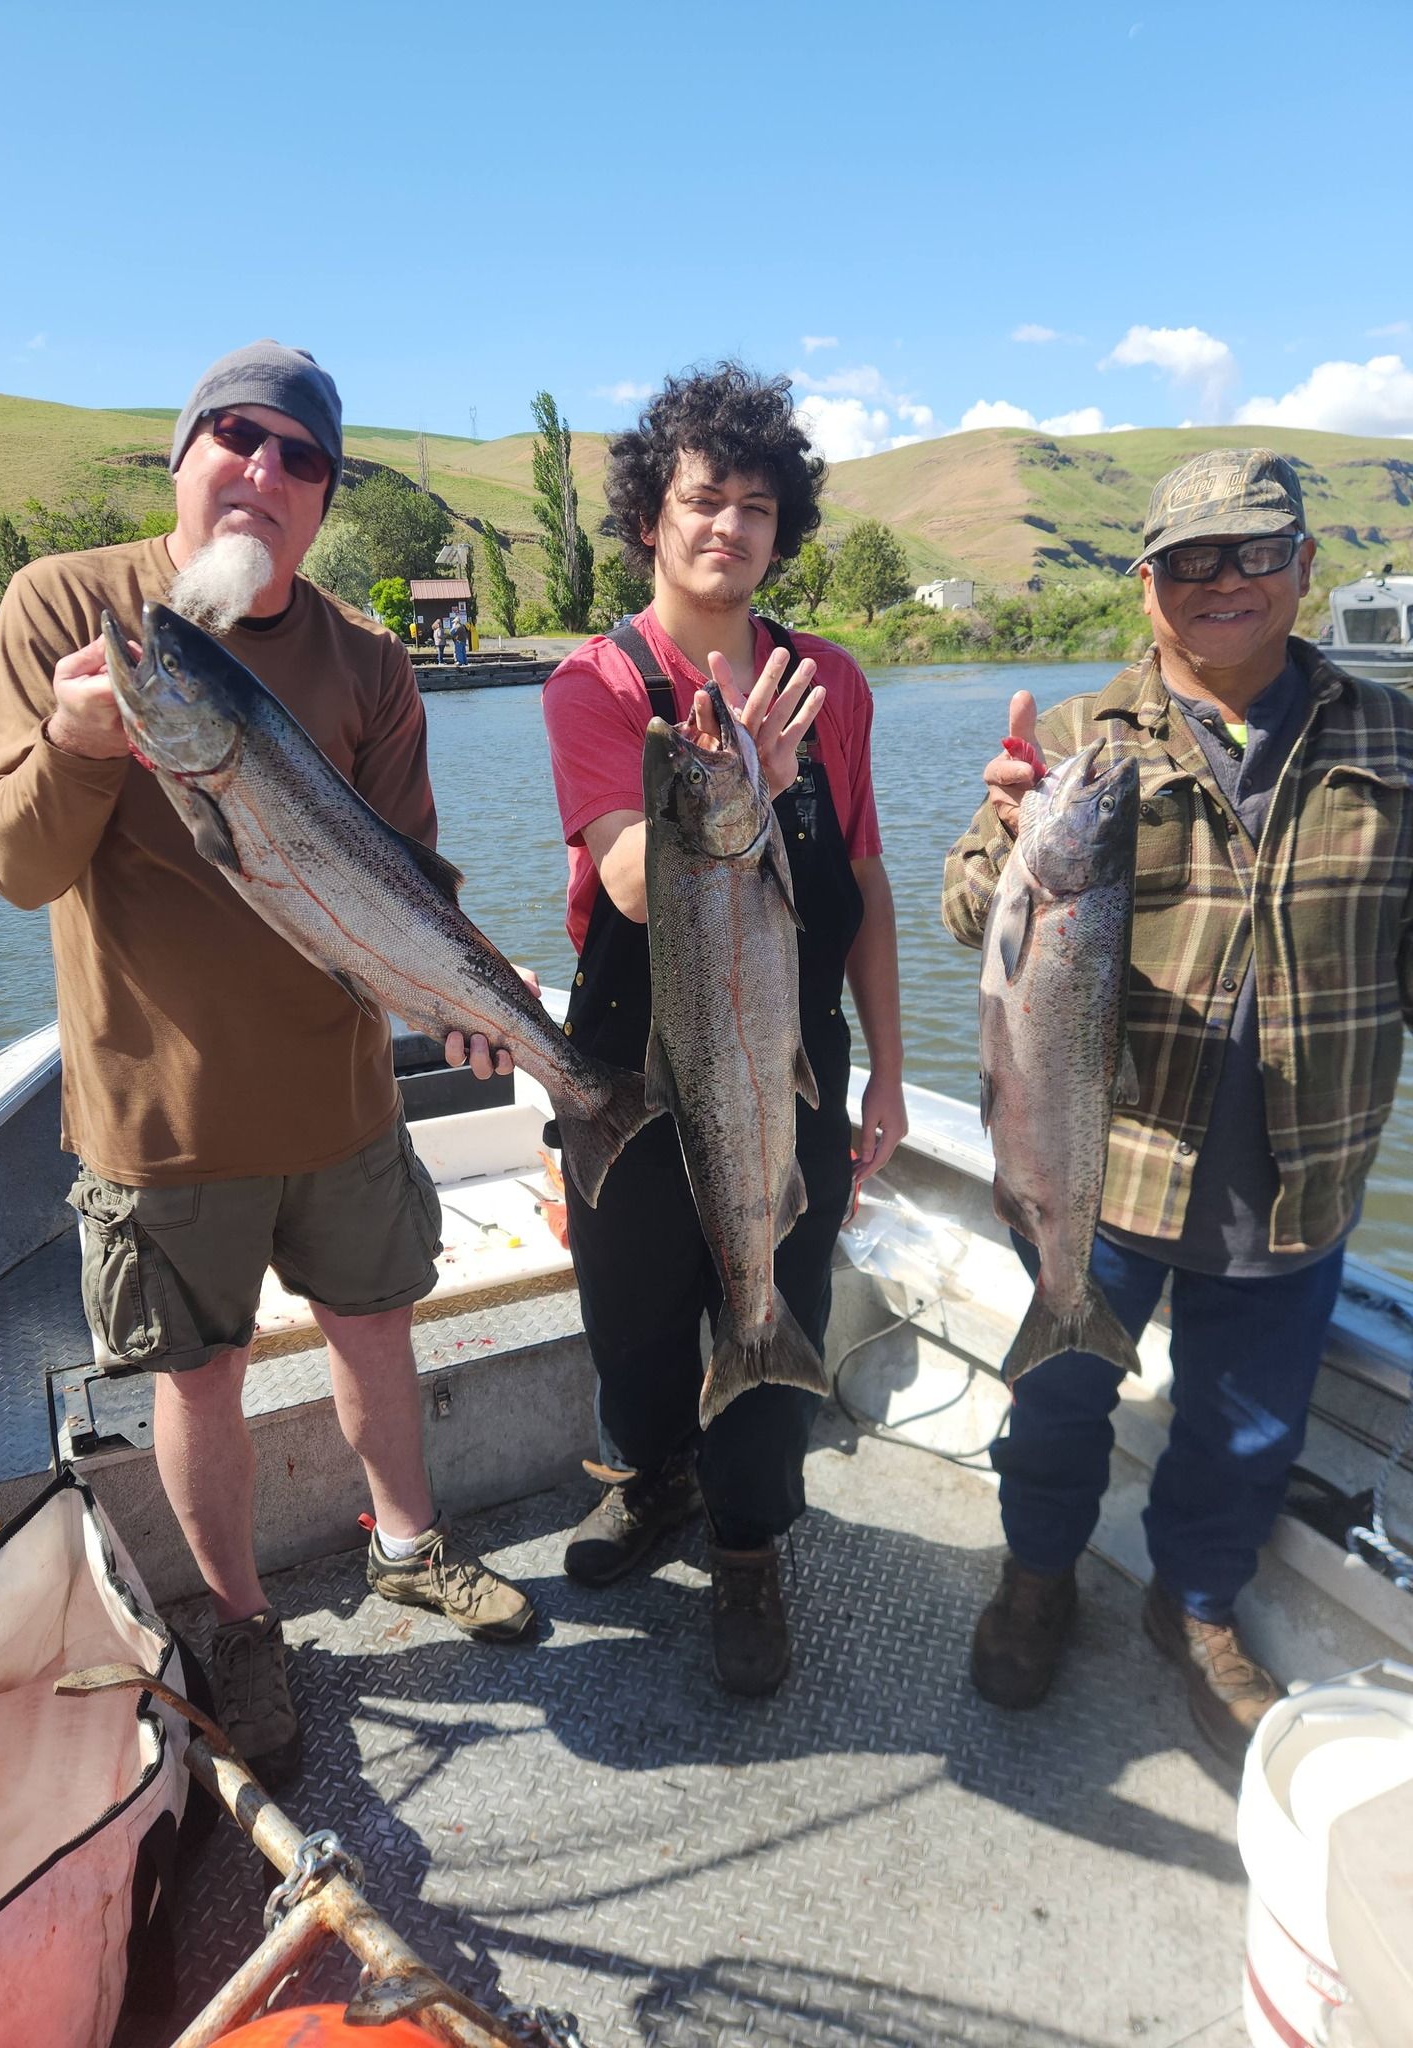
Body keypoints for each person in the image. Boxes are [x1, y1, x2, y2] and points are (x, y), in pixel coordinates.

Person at [0, 341, 535, 1788]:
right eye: (236, 439)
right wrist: (87, 740)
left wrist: (475, 989)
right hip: (158, 1120)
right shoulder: (70, 611)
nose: (263, 474)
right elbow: (17, 865)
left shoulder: (369, 661)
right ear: (182, 457)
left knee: (375, 1330)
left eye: (300, 459)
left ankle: (410, 1548)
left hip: (343, 1097)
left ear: (324, 501)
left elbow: (409, 887)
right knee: (202, 1380)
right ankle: (238, 1630)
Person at [942, 448, 1413, 1762]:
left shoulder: (1394, 741)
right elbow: (973, 919)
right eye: (1192, 561)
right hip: (1103, 1167)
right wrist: (1000, 831)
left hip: (1299, 1175)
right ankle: (1036, 1577)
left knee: (1244, 1428)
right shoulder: (1085, 745)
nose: (1226, 582)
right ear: (1148, 586)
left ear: (1305, 568)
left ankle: (1195, 1610)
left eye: (1257, 553)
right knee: (1056, 1401)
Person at [541, 364, 907, 1696]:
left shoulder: (834, 685)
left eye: (758, 506)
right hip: (624, 1063)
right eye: (704, 499)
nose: (730, 528)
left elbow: (862, 883)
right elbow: (633, 877)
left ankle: (749, 1548)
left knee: (778, 1301)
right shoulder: (594, 682)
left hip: (791, 1052)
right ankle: (648, 1485)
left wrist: (891, 1075)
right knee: (629, 1318)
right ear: (652, 514)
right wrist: (738, 786)